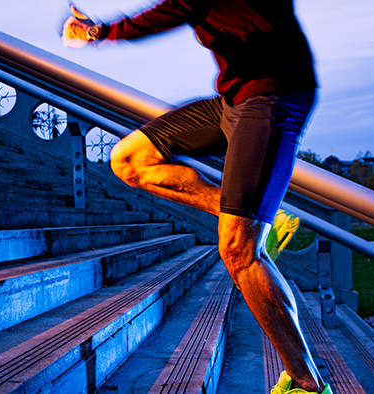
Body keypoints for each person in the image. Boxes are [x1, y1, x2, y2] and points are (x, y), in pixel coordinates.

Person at [62, 1, 332, 393]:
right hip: (232, 102)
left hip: (273, 98)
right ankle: (260, 217)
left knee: (238, 250)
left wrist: (98, 34)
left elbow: (172, 11)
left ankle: (307, 385)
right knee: (129, 159)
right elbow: (173, 10)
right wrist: (98, 32)